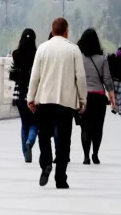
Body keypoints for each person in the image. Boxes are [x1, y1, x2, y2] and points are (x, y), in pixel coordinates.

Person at [27, 17, 87, 189]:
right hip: (66, 103)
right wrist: (82, 100)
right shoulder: (73, 50)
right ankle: (61, 178)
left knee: (44, 135)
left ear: (52, 31)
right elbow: (81, 78)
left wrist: (30, 98)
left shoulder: (42, 49)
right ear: (66, 31)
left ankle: (46, 162)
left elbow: (35, 76)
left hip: (45, 101)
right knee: (64, 141)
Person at [76, 27, 114, 166]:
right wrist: (112, 97)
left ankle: (86, 156)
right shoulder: (102, 58)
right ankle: (95, 155)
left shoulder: (78, 58)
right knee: (98, 127)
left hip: (84, 97)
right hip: (98, 97)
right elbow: (107, 79)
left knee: (85, 127)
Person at [9, 28, 38, 163]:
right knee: (34, 122)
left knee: (24, 123)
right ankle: (30, 142)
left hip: (19, 93)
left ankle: (25, 152)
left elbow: (12, 73)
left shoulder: (15, 54)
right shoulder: (37, 54)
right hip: (33, 93)